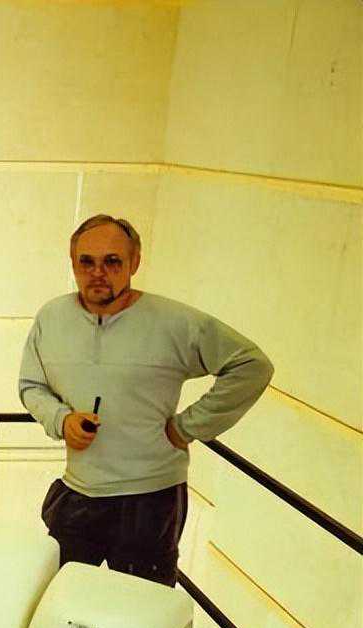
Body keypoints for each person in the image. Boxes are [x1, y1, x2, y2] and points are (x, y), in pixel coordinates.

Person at [19, 214, 273, 586]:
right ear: (72, 263)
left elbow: (251, 366)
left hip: (150, 501)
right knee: (60, 602)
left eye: (112, 261)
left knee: (140, 608)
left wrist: (187, 427)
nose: (98, 273)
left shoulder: (175, 322)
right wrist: (61, 420)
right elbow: (31, 385)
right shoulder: (52, 318)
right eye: (87, 262)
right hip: (77, 493)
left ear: (134, 262)